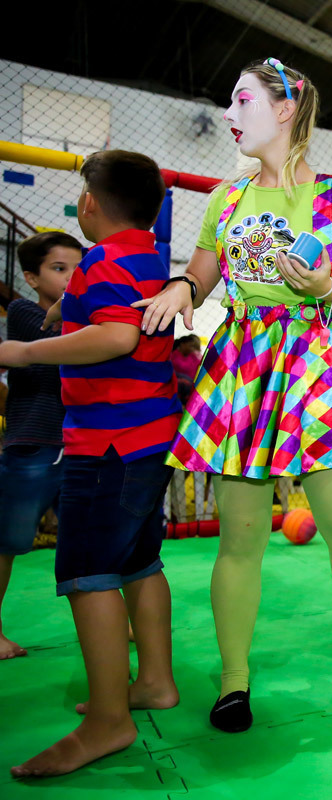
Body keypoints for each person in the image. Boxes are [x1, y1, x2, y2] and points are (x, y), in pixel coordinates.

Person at [134, 59, 332, 734]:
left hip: (316, 361)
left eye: (242, 99)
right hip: (243, 365)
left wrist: (326, 288)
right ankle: (234, 679)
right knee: (240, 536)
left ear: (285, 109)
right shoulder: (226, 199)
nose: (229, 114)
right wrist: (181, 289)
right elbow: (200, 275)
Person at [2, 151, 181, 777]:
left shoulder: (104, 259)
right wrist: (65, 307)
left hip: (108, 443)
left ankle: (108, 720)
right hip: (149, 437)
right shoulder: (149, 256)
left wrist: (26, 351)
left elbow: (117, 334)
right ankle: (154, 681)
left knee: (86, 570)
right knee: (138, 561)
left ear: (88, 204)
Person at [0, 232, 82, 661]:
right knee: (6, 541)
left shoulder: (86, 320)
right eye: (59, 268)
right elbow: (63, 345)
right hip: (33, 445)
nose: (72, 277)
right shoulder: (24, 311)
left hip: (78, 446)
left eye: (79, 269)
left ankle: (110, 623)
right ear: (31, 277)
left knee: (87, 543)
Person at [170, 334, 202, 403]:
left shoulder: (191, 356)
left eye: (193, 347)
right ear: (182, 344)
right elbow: (183, 367)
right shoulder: (174, 356)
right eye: (190, 346)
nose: (192, 349)